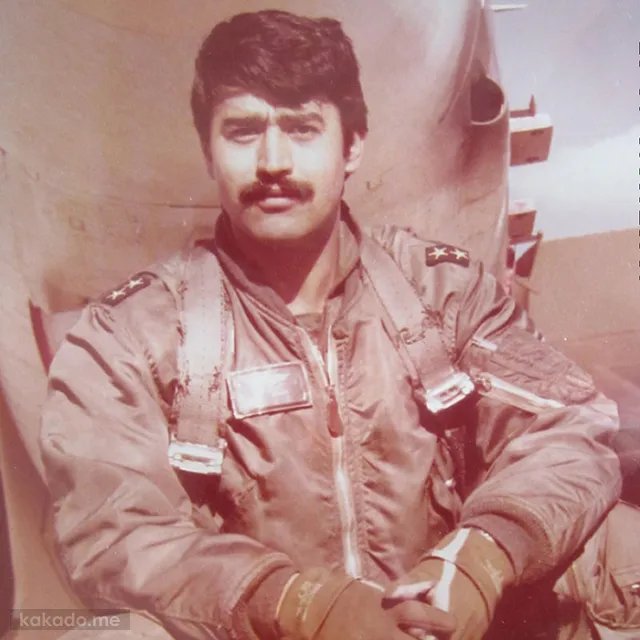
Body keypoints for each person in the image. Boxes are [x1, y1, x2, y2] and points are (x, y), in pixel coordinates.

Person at [40, 9, 640, 640]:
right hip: (264, 632)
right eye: (242, 132)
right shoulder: (129, 335)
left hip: (456, 626)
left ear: (351, 146)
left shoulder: (445, 293)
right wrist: (302, 604)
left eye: (302, 129)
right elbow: (112, 530)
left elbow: (564, 425)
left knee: (616, 547)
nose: (272, 161)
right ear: (208, 151)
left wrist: (482, 561)